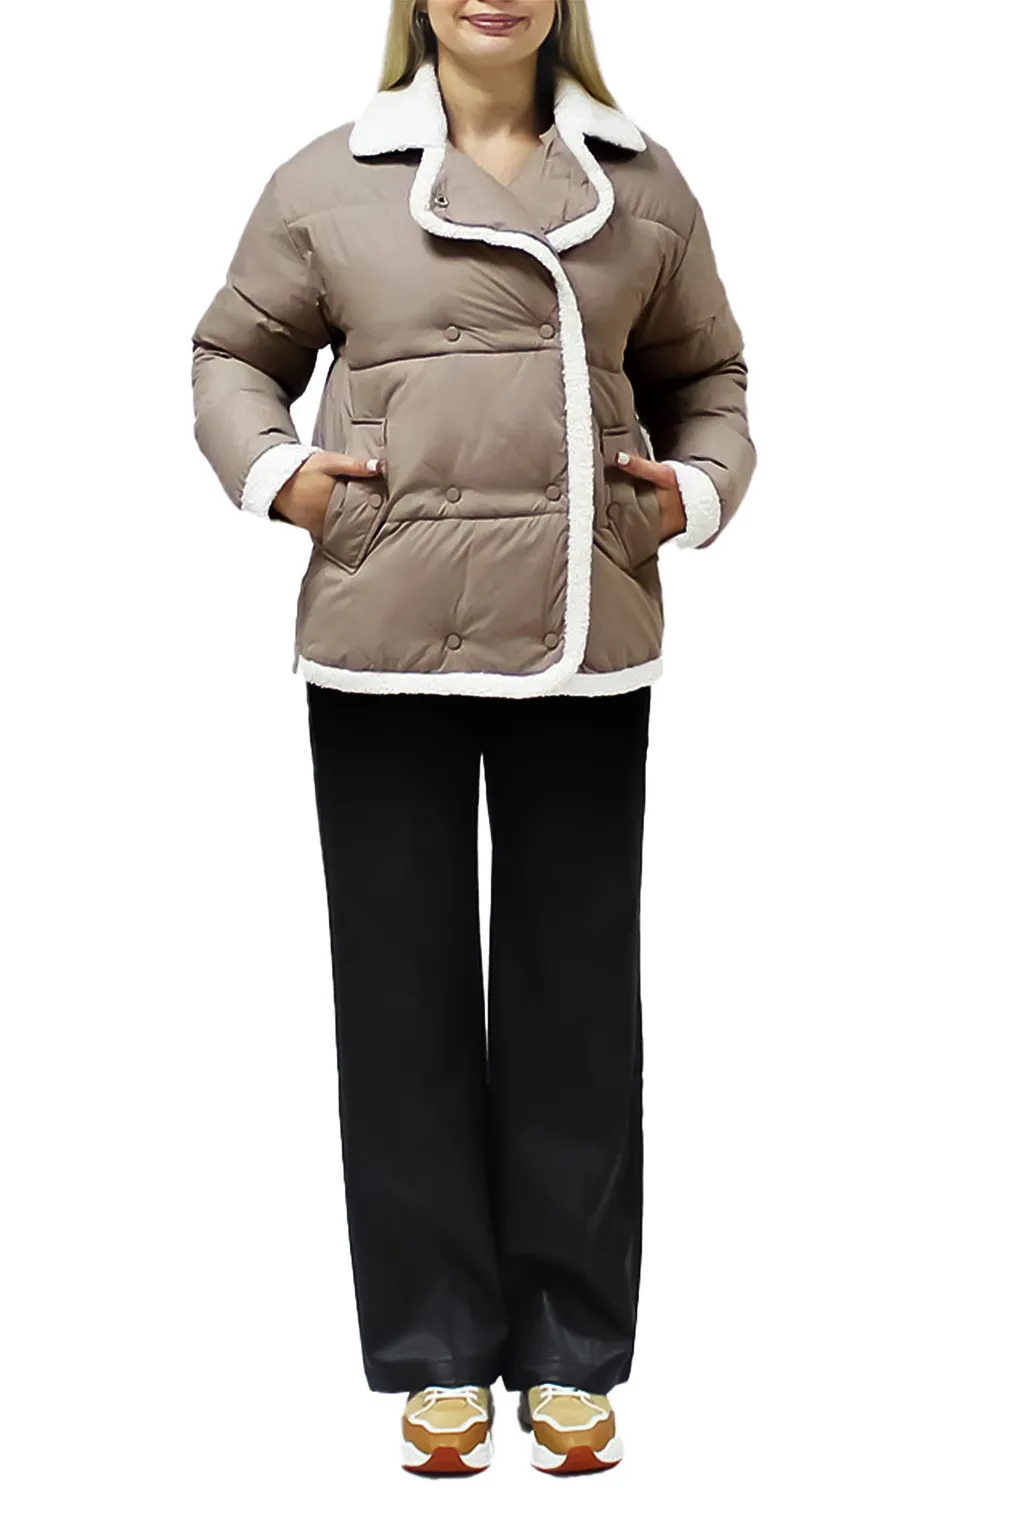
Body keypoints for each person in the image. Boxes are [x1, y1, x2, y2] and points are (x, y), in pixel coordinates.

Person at [190, 0, 755, 1477]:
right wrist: (281, 477)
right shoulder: (327, 178)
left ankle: (570, 1348)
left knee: (578, 999)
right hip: (382, 630)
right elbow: (231, 354)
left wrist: (689, 494)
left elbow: (712, 380)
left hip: (582, 628)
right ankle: (437, 1350)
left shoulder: (642, 184)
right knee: (402, 998)